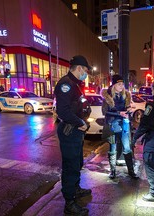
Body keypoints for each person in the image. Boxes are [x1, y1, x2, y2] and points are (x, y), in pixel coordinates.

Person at [54, 55, 92, 215]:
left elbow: (78, 106)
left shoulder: (75, 84)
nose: (86, 73)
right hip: (69, 131)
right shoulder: (66, 84)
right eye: (86, 70)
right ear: (78, 68)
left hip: (76, 131)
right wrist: (80, 123)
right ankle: (69, 203)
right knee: (70, 167)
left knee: (77, 163)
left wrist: (84, 120)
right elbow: (63, 111)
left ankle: (75, 189)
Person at [101, 74, 139, 179]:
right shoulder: (107, 96)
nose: (122, 86)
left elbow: (127, 108)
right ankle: (112, 171)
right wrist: (119, 113)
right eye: (119, 84)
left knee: (127, 147)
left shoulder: (126, 95)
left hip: (124, 124)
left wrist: (129, 109)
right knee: (113, 147)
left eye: (122, 84)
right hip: (112, 124)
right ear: (114, 85)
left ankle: (131, 171)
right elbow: (105, 112)